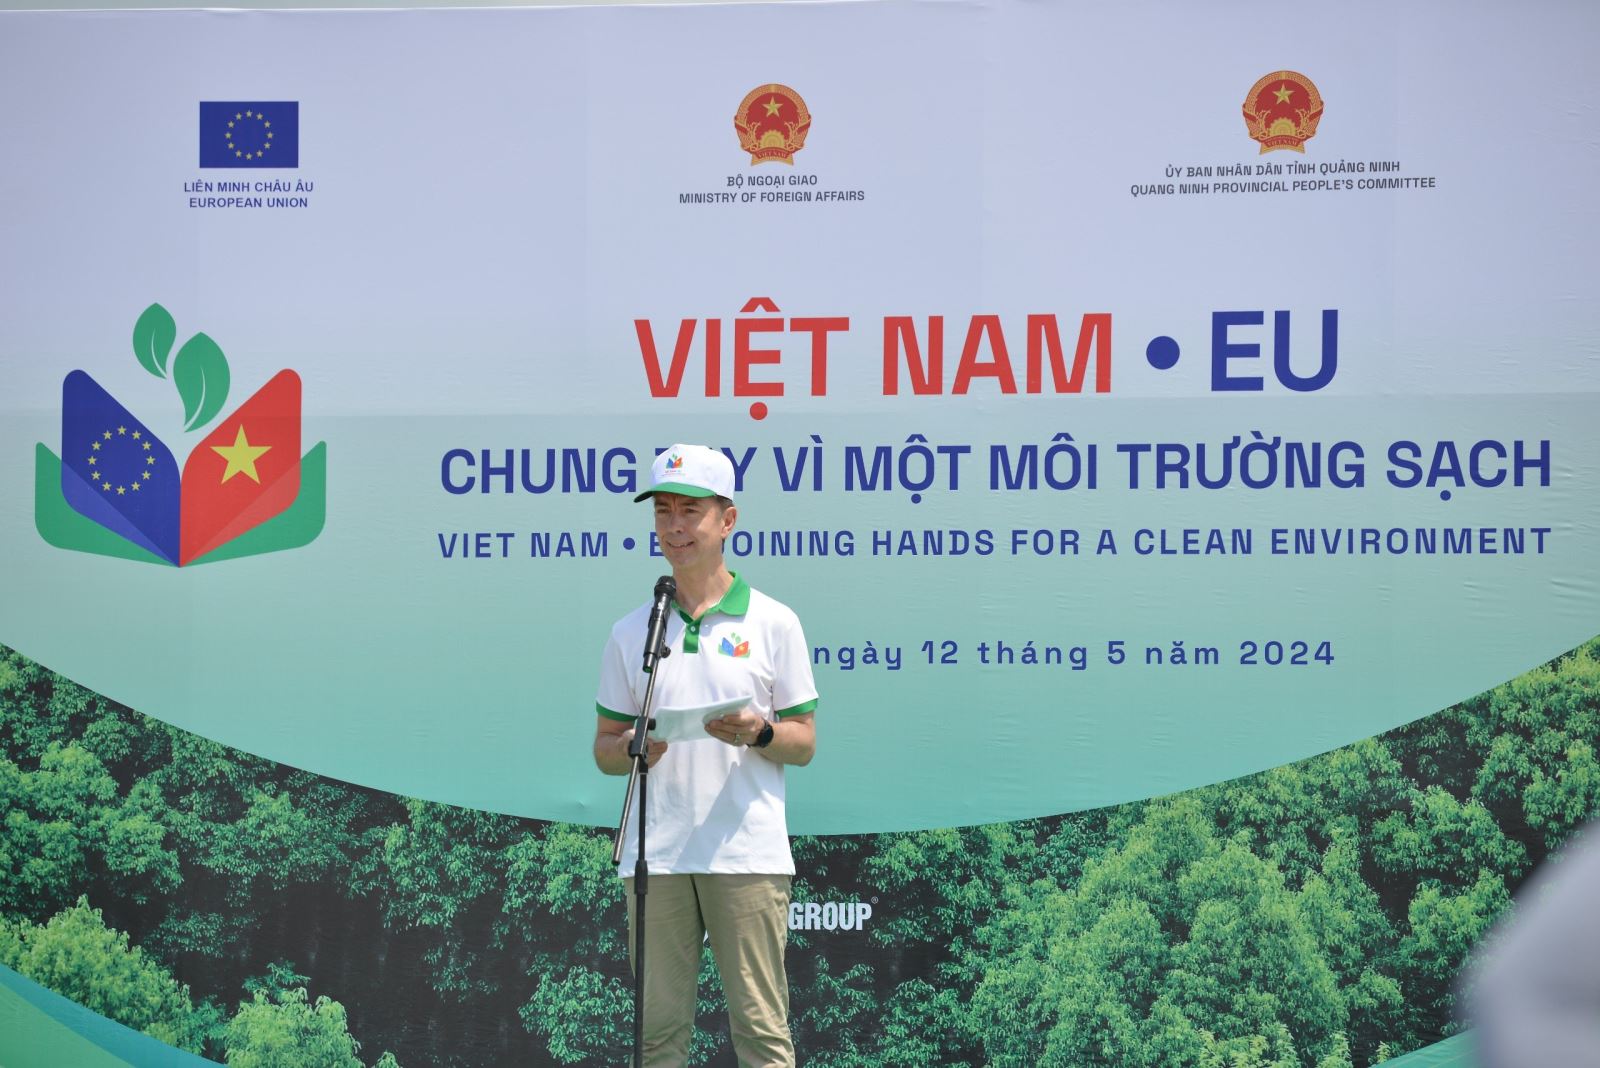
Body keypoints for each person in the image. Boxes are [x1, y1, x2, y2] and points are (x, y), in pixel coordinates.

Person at [594, 443, 818, 1068]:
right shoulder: (632, 631)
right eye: (662, 511)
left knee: (762, 1034)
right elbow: (605, 750)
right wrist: (634, 747)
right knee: (658, 1038)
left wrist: (759, 732)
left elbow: (804, 742)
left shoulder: (774, 622)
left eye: (689, 511)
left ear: (727, 520)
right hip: (657, 855)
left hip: (745, 853)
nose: (674, 526)